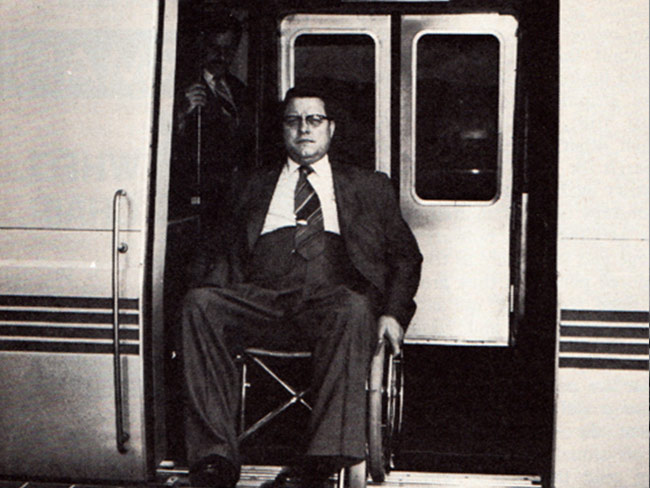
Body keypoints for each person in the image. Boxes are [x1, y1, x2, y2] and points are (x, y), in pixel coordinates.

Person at [181, 86, 422, 488]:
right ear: (282, 130)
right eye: (293, 120)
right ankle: (214, 461)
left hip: (331, 305)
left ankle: (321, 464)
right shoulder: (249, 184)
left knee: (353, 306)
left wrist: (394, 315)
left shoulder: (369, 186)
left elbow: (405, 258)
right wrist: (206, 283)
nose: (304, 129)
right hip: (259, 299)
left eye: (314, 120)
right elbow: (214, 250)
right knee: (198, 304)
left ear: (331, 129)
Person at [171, 10, 252, 228]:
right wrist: (181, 113)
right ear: (201, 45)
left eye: (229, 49)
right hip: (196, 199)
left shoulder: (239, 90)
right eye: (215, 48)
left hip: (234, 198)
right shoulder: (179, 86)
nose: (222, 57)